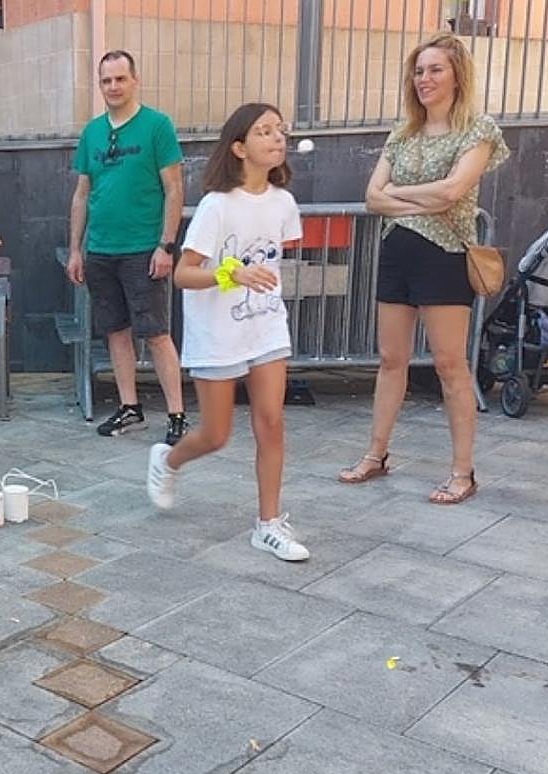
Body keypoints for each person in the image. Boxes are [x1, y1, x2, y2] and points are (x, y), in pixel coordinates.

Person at [338, 33, 509, 503]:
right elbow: (372, 198)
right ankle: (375, 454)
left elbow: (453, 192)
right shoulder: (403, 132)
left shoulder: (477, 130)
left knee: (450, 364)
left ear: (457, 76)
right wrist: (422, 198)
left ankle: (462, 472)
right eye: (418, 71)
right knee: (390, 359)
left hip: (445, 255)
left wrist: (399, 194)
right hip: (398, 250)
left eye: (435, 69)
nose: (424, 79)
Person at [146, 103, 309, 563]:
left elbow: (272, 257)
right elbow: (183, 274)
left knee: (271, 423)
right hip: (217, 333)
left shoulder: (284, 203)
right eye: (264, 131)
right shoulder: (216, 206)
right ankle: (168, 460)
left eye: (280, 130)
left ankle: (268, 525)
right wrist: (231, 274)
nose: (277, 138)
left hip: (267, 326)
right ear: (239, 147)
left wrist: (254, 280)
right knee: (216, 434)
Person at [67, 49, 188, 445]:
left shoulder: (157, 126)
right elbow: (82, 194)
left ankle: (177, 415)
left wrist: (166, 245)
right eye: (106, 80)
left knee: (155, 333)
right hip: (101, 250)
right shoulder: (91, 133)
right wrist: (75, 249)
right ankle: (129, 407)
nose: (113, 86)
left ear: (135, 80)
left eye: (120, 78)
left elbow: (174, 189)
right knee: (115, 332)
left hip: (143, 249)